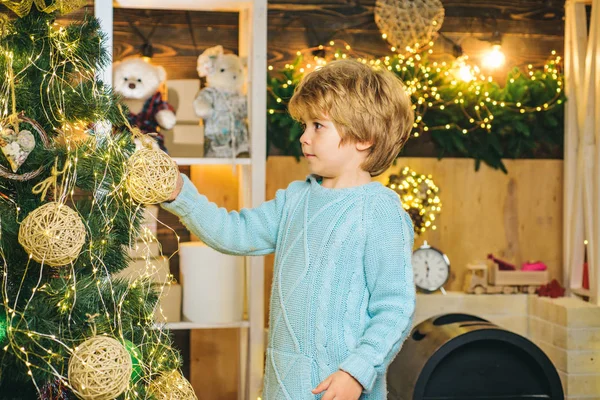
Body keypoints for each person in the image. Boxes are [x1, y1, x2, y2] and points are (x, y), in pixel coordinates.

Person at [163, 59, 416, 400]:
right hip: (282, 386)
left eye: (317, 126)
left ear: (364, 137)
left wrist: (356, 372)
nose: (303, 137)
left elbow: (395, 307)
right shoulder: (295, 199)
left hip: (341, 389)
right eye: (304, 125)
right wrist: (182, 193)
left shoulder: (380, 211)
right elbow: (233, 233)